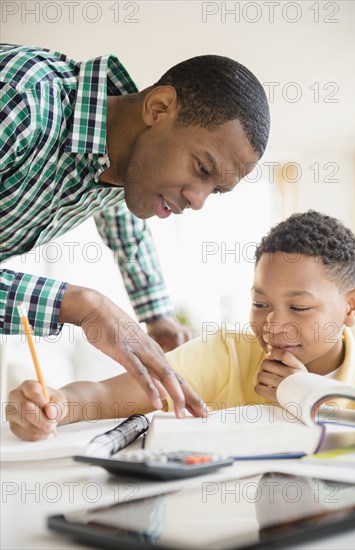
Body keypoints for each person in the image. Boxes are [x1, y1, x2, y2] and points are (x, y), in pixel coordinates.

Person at [0, 44, 270, 417]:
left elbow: (126, 227)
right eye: (203, 170)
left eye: (216, 191)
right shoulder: (22, 100)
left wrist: (157, 315)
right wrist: (81, 305)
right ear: (159, 108)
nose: (198, 201)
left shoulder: (125, 163)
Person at [7, 210, 355, 440]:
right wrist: (58, 403)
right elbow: (106, 397)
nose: (273, 324)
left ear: (351, 307)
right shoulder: (227, 353)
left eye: (299, 307)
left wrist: (302, 395)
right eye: (260, 304)